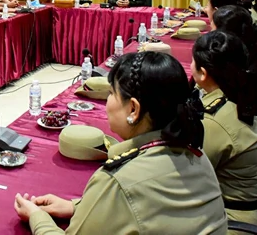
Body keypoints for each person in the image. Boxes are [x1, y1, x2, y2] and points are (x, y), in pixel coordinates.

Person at [14, 52, 227, 234]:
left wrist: (37, 217)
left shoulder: (118, 181)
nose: (107, 102)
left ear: (133, 109)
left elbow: (129, 198)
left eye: (111, 93)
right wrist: (77, 206)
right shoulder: (196, 154)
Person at [192, 31, 257, 228]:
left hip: (231, 221)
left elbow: (189, 175)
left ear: (203, 73)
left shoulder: (214, 121)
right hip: (253, 209)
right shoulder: (242, 93)